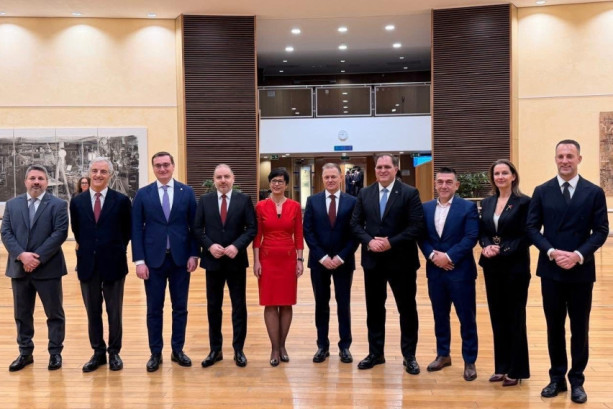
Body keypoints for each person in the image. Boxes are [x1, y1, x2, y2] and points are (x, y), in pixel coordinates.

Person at [526, 140, 608, 404]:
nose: (565, 161)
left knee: (580, 328)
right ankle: (556, 378)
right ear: (555, 158)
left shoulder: (593, 192)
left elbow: (601, 230)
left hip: (580, 270)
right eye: (560, 156)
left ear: (579, 159)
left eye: (570, 156)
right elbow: (531, 228)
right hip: (551, 269)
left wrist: (578, 255)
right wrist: (551, 252)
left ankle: (577, 380)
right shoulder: (542, 191)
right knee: (554, 327)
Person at [350, 153, 424, 374]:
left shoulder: (409, 193)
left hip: (402, 261)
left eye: (387, 167)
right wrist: (369, 241)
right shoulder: (365, 193)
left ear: (395, 169)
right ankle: (376, 353)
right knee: (374, 309)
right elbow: (355, 225)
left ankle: (409, 356)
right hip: (373, 261)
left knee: (407, 309)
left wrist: (391, 242)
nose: (382, 170)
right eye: (379, 167)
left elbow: (416, 226)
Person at [131, 151, 199, 372]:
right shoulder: (143, 194)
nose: (162, 169)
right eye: (158, 165)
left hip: (181, 260)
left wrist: (194, 254)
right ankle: (155, 352)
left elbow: (194, 227)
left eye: (166, 165)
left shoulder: (187, 192)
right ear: (153, 168)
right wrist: (139, 261)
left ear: (173, 166)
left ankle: (177, 350)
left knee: (180, 308)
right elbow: (136, 229)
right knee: (154, 309)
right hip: (153, 262)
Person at [1, 165, 68, 372]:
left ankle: (55, 353)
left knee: (54, 313)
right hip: (19, 268)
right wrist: (22, 256)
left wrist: (36, 258)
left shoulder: (58, 205)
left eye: (40, 178)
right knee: (22, 314)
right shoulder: (12, 205)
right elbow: (6, 232)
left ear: (47, 182)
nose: (36, 182)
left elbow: (60, 233)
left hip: (48, 268)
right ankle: (25, 352)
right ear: (26, 181)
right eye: (32, 178)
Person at [70, 157, 131, 372]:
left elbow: (126, 232)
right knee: (93, 312)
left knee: (114, 312)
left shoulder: (121, 201)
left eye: (103, 172)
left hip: (114, 264)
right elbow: (78, 231)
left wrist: (113, 249)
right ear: (89, 173)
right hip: (88, 264)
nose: (98, 175)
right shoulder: (77, 201)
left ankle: (114, 352)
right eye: (95, 171)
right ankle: (98, 352)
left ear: (110, 175)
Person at [418, 167, 479, 381]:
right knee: (440, 316)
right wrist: (433, 256)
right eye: (440, 182)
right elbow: (421, 237)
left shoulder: (468, 207)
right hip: (435, 272)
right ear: (435, 184)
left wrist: (449, 257)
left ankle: (469, 360)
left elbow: (471, 237)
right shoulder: (425, 208)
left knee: (467, 318)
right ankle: (443, 354)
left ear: (456, 185)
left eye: (448, 182)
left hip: (460, 272)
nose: (444, 186)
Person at [193, 164, 256, 368]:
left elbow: (251, 228)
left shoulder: (243, 199)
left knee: (239, 306)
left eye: (226, 176)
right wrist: (209, 246)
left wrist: (237, 246)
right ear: (214, 180)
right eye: (219, 177)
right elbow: (197, 228)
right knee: (213, 307)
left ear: (233, 178)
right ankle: (215, 350)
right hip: (213, 261)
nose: (223, 180)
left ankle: (238, 350)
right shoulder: (205, 200)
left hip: (236, 261)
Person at [479, 159, 531, 386]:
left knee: (515, 317)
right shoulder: (487, 202)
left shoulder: (524, 202)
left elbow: (528, 233)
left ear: (513, 176)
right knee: (497, 316)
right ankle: (501, 366)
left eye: (504, 173)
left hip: (515, 266)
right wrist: (486, 245)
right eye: (496, 173)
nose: (500, 177)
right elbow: (482, 230)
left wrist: (505, 248)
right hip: (492, 265)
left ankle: (517, 369)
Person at [303, 163, 358, 364]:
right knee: (321, 304)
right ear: (322, 179)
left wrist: (341, 257)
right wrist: (322, 257)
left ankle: (345, 346)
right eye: (326, 177)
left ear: (341, 177)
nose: (330, 180)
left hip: (344, 261)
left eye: (334, 176)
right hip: (319, 262)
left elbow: (355, 232)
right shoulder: (312, 201)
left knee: (344, 304)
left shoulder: (353, 202)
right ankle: (322, 346)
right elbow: (308, 231)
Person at [253, 168, 304, 367]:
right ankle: (274, 348)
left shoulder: (295, 206)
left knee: (286, 303)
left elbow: (298, 234)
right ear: (269, 183)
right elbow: (257, 236)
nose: (276, 184)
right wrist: (256, 261)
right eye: (273, 181)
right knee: (270, 303)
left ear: (286, 184)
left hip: (288, 258)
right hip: (267, 258)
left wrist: (300, 260)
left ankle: (283, 345)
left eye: (280, 181)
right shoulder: (260, 206)